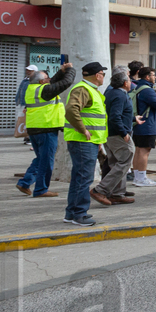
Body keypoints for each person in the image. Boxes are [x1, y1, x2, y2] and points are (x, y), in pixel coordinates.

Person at [16, 63, 76, 197]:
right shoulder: (44, 91)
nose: (49, 80)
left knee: (41, 158)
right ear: (42, 81)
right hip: (46, 128)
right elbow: (66, 82)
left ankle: (25, 182)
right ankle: (41, 189)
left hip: (34, 128)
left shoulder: (33, 88)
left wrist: (61, 71)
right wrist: (71, 69)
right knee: (47, 161)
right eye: (47, 78)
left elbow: (54, 82)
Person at [63, 62, 109, 227]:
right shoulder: (83, 89)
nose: (104, 77)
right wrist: (83, 130)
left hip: (88, 141)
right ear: (97, 75)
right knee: (84, 178)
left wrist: (97, 141)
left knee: (79, 177)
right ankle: (79, 214)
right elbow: (70, 110)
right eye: (103, 74)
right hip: (82, 141)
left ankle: (71, 213)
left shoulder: (90, 90)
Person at [93, 68, 137, 207]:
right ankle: (100, 190)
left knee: (115, 162)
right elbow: (115, 116)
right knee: (124, 161)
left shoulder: (112, 93)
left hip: (110, 133)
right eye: (129, 80)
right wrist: (124, 133)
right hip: (117, 134)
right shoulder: (120, 95)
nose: (131, 82)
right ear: (125, 83)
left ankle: (117, 193)